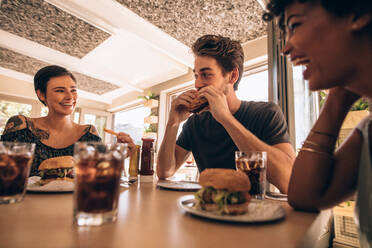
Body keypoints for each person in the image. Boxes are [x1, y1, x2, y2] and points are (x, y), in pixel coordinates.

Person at [263, 0, 372, 246]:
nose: (286, 48)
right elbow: (306, 197)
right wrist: (337, 98)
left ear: (358, 12)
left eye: (295, 25)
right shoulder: (368, 131)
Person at [157, 35, 296, 193]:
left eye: (206, 74)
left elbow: (289, 181)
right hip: (205, 210)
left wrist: (226, 119)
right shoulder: (194, 123)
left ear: (232, 76)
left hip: (253, 212)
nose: (197, 84)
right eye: (196, 76)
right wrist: (173, 123)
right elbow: (164, 172)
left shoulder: (266, 114)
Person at [1, 65, 134, 176]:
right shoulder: (21, 125)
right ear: (41, 94)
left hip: (74, 205)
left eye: (73, 90)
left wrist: (120, 154)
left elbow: (96, 174)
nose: (70, 97)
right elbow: (5, 176)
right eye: (60, 90)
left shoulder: (88, 132)